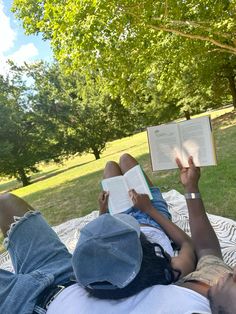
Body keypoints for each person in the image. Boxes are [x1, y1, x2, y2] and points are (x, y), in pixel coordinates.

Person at [0, 155, 234, 314]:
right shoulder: (198, 279)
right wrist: (191, 189)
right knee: (6, 201)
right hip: (69, 275)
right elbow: (206, 250)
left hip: (27, 302)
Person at [77, 153, 196, 299]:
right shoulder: (168, 270)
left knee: (110, 166)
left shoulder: (116, 277)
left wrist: (103, 213)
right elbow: (187, 244)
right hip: (154, 217)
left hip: (120, 220)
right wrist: (148, 209)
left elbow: (100, 244)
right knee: (126, 159)